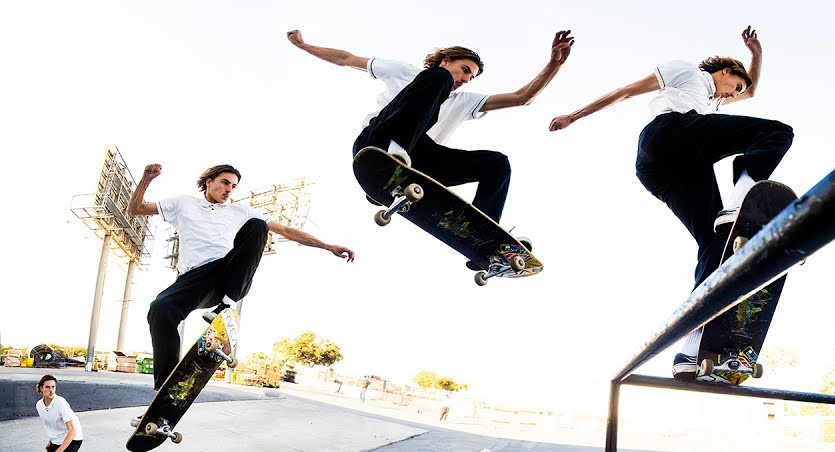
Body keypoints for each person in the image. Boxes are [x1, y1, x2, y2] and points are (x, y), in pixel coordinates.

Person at [549, 26, 793, 382]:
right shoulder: (687, 72)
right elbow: (627, 91)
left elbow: (753, 90)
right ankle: (741, 197)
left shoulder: (714, 102)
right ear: (724, 71)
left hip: (670, 171)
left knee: (716, 243)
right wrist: (574, 115)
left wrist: (757, 56)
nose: (735, 95)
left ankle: (690, 350)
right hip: (670, 135)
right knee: (777, 132)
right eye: (734, 87)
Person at [286, 28, 574, 233]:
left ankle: (481, 232)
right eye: (463, 70)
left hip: (421, 162)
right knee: (437, 80)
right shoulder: (409, 72)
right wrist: (304, 46)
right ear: (445, 59)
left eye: (470, 77)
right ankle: (395, 157)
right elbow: (347, 59)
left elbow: (521, 98)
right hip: (378, 143)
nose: (464, 80)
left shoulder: (465, 101)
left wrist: (554, 65)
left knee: (496, 163)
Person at [128, 163, 355, 389]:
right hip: (193, 279)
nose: (229, 190)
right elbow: (136, 209)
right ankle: (167, 386)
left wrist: (327, 246)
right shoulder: (183, 203)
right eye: (225, 183)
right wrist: (146, 179)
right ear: (209, 181)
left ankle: (226, 306)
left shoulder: (241, 211)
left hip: (228, 275)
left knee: (258, 226)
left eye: (234, 186)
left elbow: (285, 231)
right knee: (159, 309)